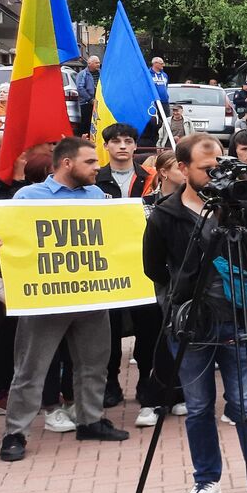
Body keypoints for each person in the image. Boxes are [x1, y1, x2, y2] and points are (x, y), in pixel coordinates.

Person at [142, 133, 247, 493]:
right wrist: (181, 291)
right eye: (207, 170)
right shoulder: (165, 214)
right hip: (191, 324)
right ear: (183, 169)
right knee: (198, 407)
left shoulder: (242, 207)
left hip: (239, 319)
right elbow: (153, 268)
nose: (216, 176)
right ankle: (206, 479)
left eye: (221, 166)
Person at [0, 138, 130, 462]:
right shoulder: (27, 197)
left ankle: (90, 420)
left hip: (91, 297)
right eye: (90, 162)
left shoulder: (96, 196)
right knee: (30, 369)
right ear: (67, 163)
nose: (98, 167)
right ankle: (16, 433)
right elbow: (12, 243)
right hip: (46, 301)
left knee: (93, 364)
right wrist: (0, 245)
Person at [95, 123, 158, 415]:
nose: (122, 146)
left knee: (148, 327)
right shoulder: (94, 180)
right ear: (106, 146)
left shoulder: (151, 179)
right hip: (107, 266)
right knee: (108, 329)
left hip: (144, 264)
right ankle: (111, 383)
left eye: (128, 141)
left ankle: (147, 380)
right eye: (116, 141)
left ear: (135, 146)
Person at [76, 56, 100, 135]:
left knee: (97, 124)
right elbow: (80, 88)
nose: (98, 64)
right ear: (89, 64)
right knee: (86, 124)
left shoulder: (100, 73)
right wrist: (90, 99)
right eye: (96, 63)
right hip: (86, 104)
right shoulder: (83, 74)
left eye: (99, 62)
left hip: (98, 103)